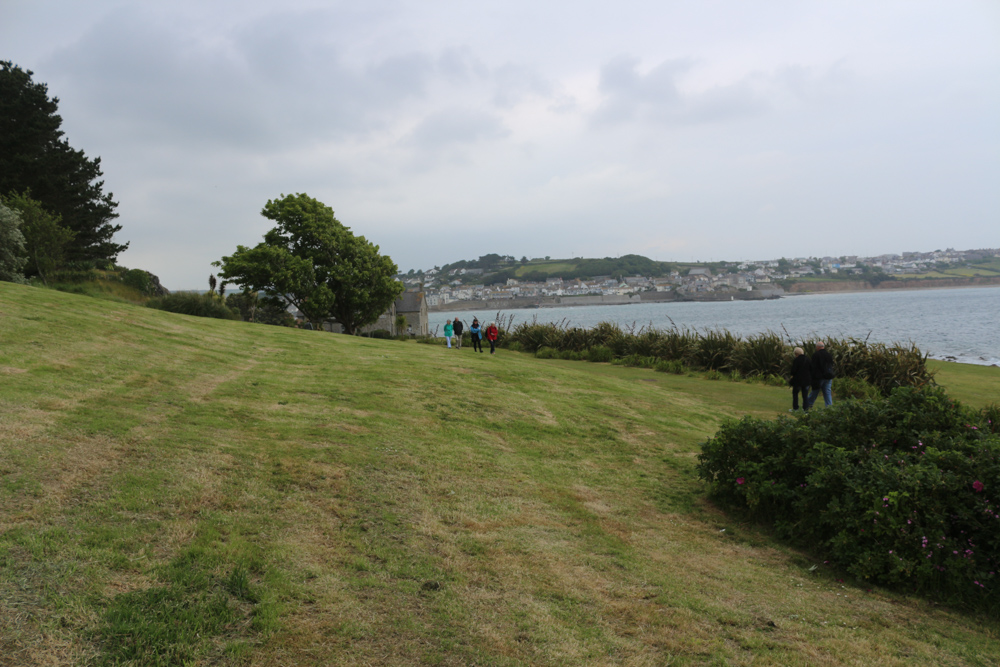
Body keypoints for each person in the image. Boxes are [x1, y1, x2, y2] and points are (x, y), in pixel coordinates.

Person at [807, 341, 835, 408]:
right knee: (827, 392)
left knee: (815, 391)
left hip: (819, 377)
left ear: (817, 347)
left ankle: (808, 404)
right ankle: (829, 407)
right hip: (828, 376)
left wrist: (811, 377)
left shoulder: (816, 355)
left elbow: (813, 367)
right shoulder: (829, 355)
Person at [789, 346, 812, 412]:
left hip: (798, 380)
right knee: (805, 395)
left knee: (795, 394)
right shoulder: (808, 359)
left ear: (796, 354)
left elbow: (793, 371)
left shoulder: (796, 360)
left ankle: (795, 408)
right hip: (807, 380)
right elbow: (811, 369)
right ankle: (806, 409)